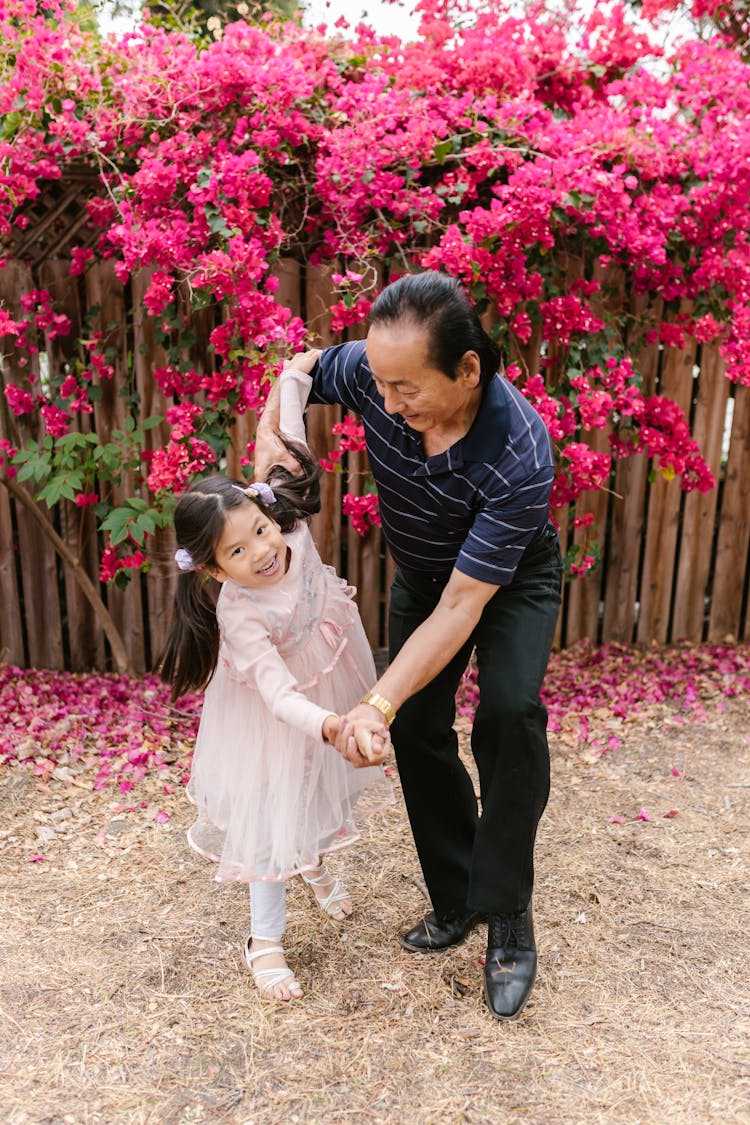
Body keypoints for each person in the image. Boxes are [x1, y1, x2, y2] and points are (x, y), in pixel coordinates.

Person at [254, 271, 563, 1021]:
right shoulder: (375, 369)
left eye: (406, 389)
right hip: (424, 575)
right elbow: (299, 366)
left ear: (467, 369)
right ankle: (457, 899)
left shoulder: (518, 449)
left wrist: (375, 699)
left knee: (510, 714)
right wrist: (272, 427)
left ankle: (509, 916)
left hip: (504, 582)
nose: (386, 404)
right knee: (421, 730)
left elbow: (465, 606)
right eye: (380, 384)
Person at [159, 429, 393, 1003]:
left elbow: (283, 432)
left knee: (320, 788)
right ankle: (263, 941)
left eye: (258, 532)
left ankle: (310, 861)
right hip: (273, 713)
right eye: (236, 552)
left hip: (330, 672)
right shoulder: (240, 615)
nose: (261, 552)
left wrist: (296, 373)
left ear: (267, 513)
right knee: (269, 815)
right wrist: (331, 724)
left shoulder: (289, 526)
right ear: (214, 571)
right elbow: (280, 698)